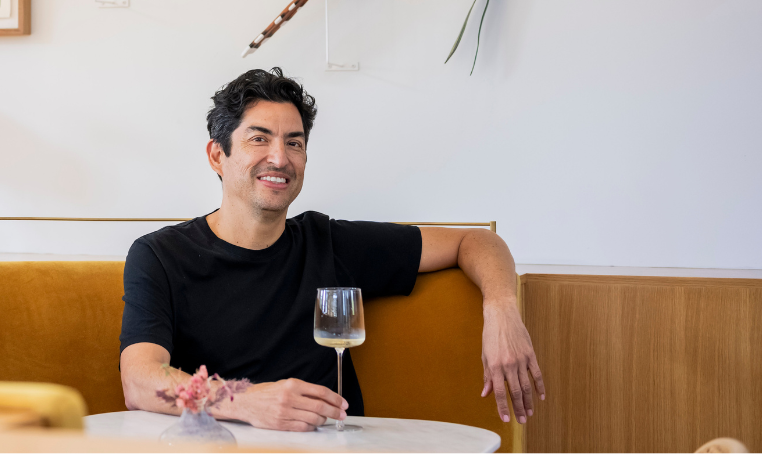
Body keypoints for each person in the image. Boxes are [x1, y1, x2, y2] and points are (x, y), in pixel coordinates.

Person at [119, 68, 546, 431]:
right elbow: (140, 380)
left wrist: (502, 309)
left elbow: (477, 240)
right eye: (259, 139)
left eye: (294, 142)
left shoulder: (329, 243)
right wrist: (245, 402)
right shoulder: (160, 256)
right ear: (217, 155)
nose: (280, 158)